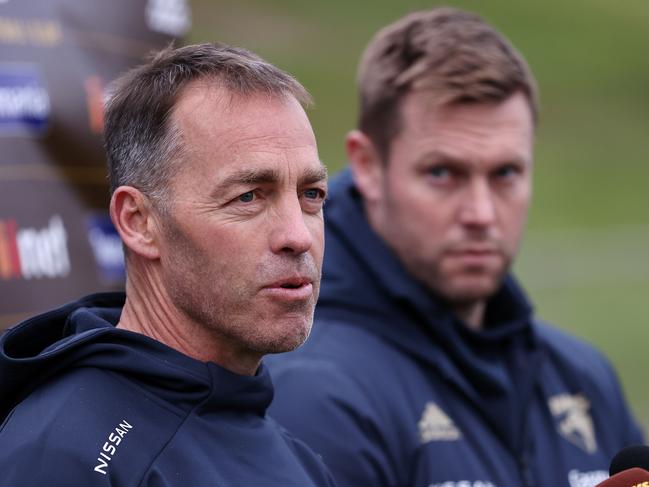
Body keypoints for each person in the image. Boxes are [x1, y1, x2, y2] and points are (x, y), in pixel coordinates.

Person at [267, 7, 644, 487]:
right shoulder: (312, 394)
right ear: (367, 164)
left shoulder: (582, 376)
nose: (481, 213)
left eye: (505, 173)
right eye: (443, 173)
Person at [0, 43, 335, 486]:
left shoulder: (301, 461)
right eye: (249, 196)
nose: (297, 235)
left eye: (311, 194)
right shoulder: (65, 455)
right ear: (139, 222)